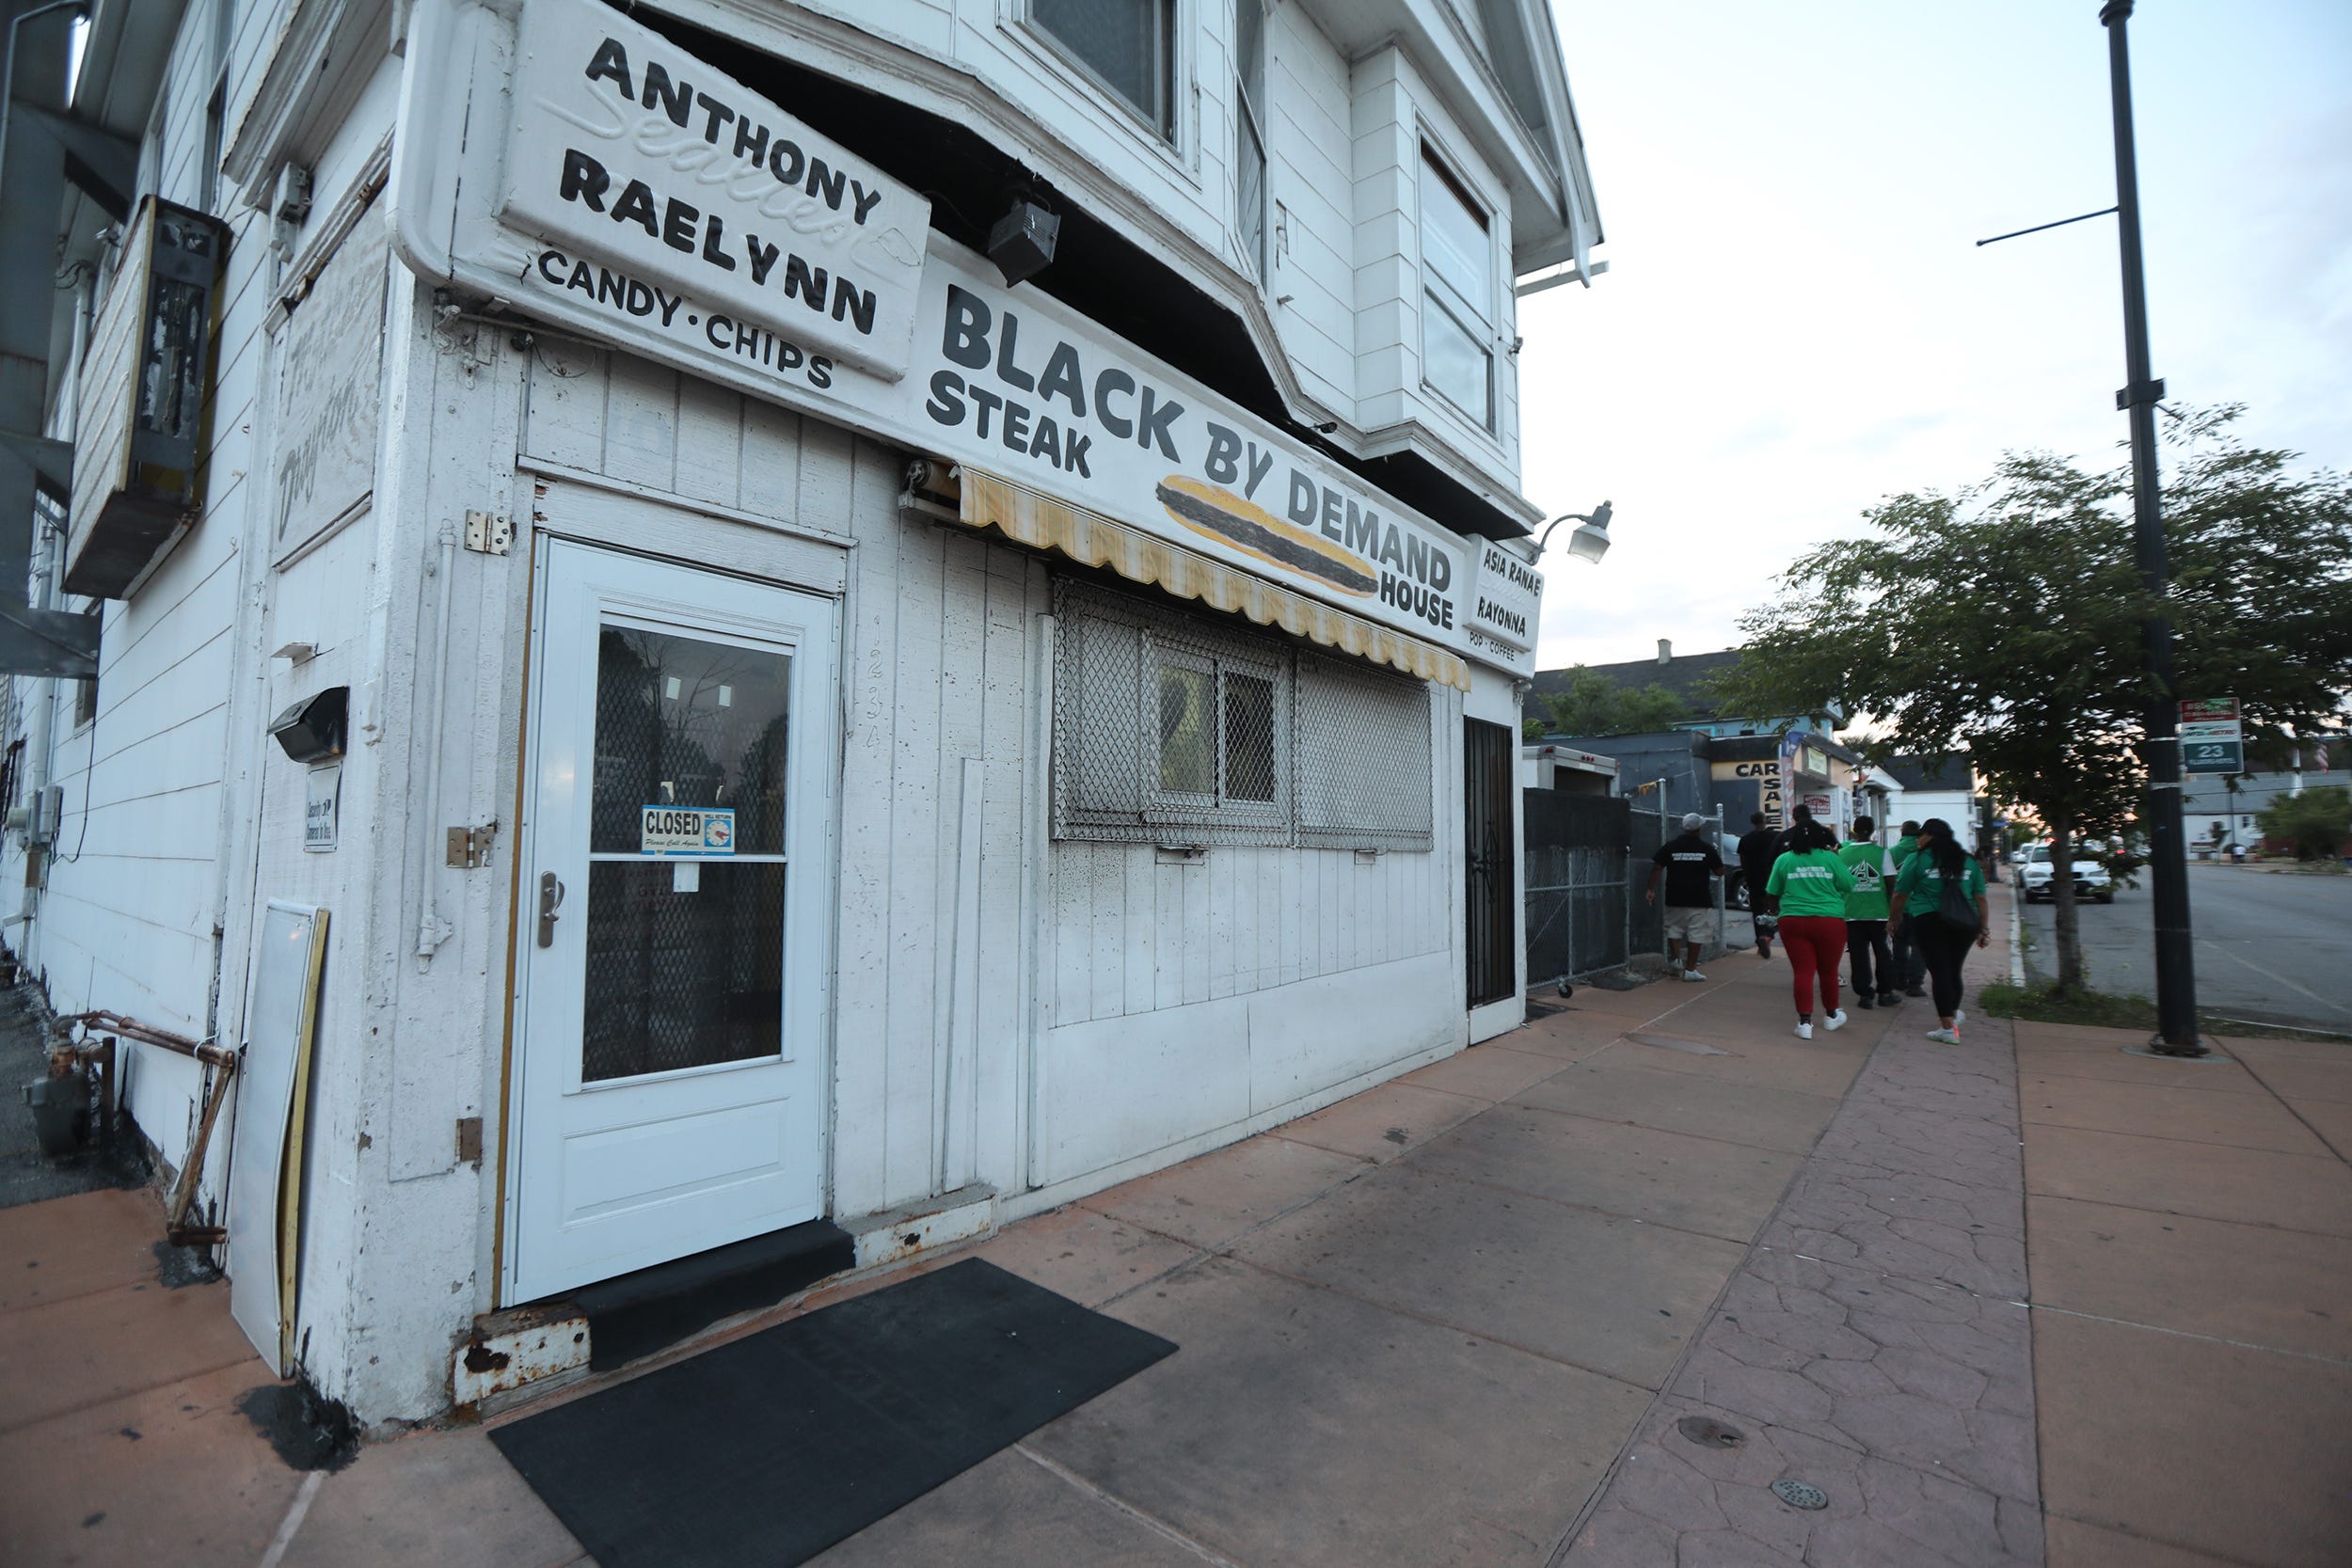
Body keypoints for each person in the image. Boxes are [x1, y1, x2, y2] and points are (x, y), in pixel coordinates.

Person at [1888, 816, 1991, 1044]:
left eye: (1921, 834)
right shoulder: (1968, 861)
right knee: (1954, 970)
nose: (1918, 839)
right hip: (1965, 923)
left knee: (1940, 971)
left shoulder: (1917, 860)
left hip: (1930, 921)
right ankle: (1952, 1016)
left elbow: (1900, 894)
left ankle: (1948, 1028)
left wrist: (1894, 918)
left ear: (1931, 836)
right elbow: (1981, 897)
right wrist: (1983, 928)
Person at [1764, 815, 1854, 1038]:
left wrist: (1775, 910)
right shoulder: (1831, 858)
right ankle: (1832, 1015)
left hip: (1793, 920)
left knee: (1803, 972)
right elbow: (1848, 884)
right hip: (1830, 921)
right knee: (1828, 971)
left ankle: (1805, 1024)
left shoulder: (1784, 859)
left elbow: (1772, 892)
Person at [1646, 812, 1724, 981]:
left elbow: (1657, 867)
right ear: (1699, 829)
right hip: (1699, 898)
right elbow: (1720, 872)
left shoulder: (1671, 846)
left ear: (1683, 828)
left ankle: (1676, 961)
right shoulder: (1707, 848)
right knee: (1697, 933)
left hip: (1674, 895)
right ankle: (1690, 970)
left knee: (1674, 928)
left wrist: (1650, 889)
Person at [1839, 816, 1900, 1007]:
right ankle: (1885, 993)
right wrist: (1894, 911)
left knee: (1858, 955)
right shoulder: (1882, 853)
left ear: (1854, 830)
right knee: (1883, 953)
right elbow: (1892, 883)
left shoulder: (1841, 853)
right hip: (1879, 913)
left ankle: (1865, 995)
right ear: (1873, 830)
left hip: (1851, 912)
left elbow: (1838, 883)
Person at [1735, 811, 1785, 958]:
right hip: (1771, 878)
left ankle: (1760, 940)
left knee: (1757, 911)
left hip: (1753, 879)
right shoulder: (1775, 837)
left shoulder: (1745, 839)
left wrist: (1747, 877)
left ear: (1752, 822)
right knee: (1774, 909)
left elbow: (1743, 861)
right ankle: (1768, 935)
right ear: (1765, 820)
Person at [1886, 818, 1928, 998]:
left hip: (1899, 906)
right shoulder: (1926, 855)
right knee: (1920, 947)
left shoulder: (1891, 853)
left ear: (1902, 834)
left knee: (1899, 944)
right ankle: (1915, 984)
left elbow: (1887, 883)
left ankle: (1899, 979)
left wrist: (1891, 913)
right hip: (1922, 908)